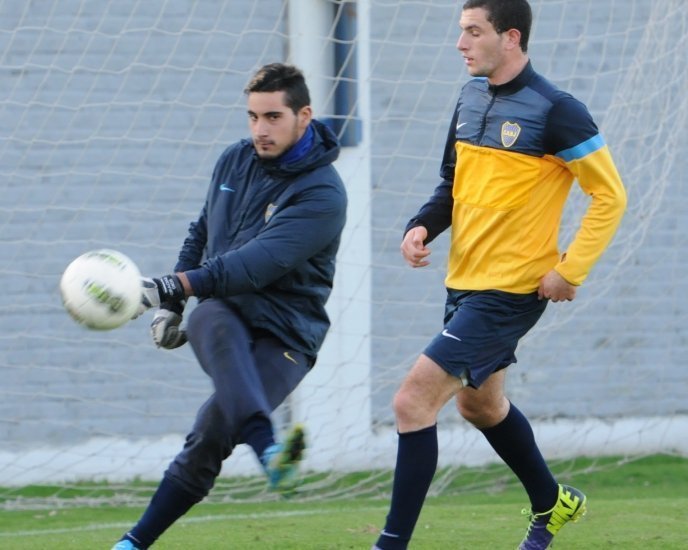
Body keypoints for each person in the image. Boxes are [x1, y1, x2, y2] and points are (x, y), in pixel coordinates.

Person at [373, 1, 626, 549]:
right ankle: (552, 503)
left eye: (472, 32)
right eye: (460, 31)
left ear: (510, 37)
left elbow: (610, 195)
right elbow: (452, 183)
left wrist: (570, 269)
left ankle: (390, 544)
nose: (460, 44)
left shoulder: (558, 110)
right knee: (479, 404)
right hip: (464, 283)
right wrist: (422, 227)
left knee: (411, 401)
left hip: (512, 289)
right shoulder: (468, 98)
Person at [112, 63, 347, 550]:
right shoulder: (233, 160)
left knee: (212, 430)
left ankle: (134, 542)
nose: (260, 129)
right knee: (210, 315)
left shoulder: (323, 194)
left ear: (304, 115)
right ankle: (270, 454)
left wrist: (164, 286)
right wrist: (172, 304)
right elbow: (202, 231)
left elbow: (253, 266)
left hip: (285, 338)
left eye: (273, 117)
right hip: (226, 315)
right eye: (252, 116)